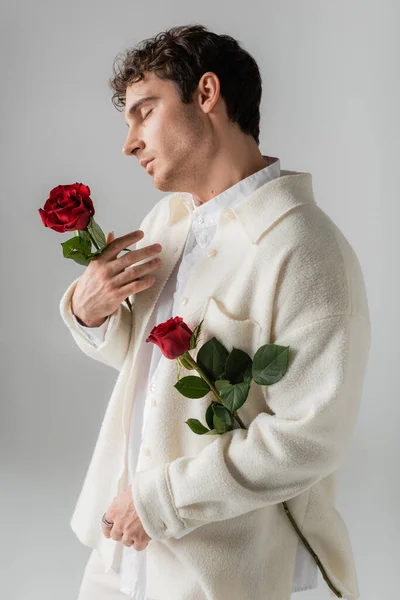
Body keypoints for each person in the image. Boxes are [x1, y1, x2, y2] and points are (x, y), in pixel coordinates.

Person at [59, 24, 371, 600]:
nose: (129, 142)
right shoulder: (168, 224)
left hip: (231, 573)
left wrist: (159, 500)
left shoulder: (306, 249)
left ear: (206, 95)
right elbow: (153, 377)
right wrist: (90, 311)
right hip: (123, 557)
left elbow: (310, 438)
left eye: (143, 112)